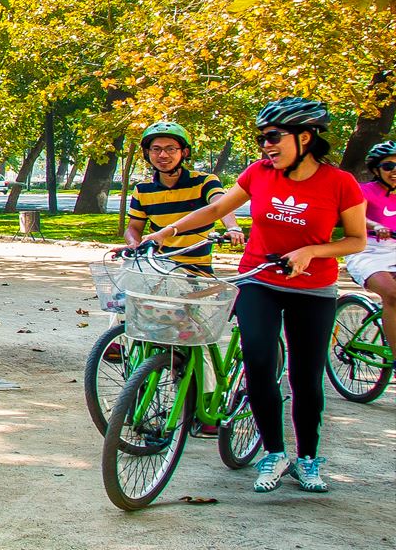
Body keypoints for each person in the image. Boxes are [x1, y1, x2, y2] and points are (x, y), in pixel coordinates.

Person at [143, 98, 365, 494]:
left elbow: (355, 240)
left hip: (313, 289)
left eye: (274, 137)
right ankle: (274, 453)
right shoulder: (259, 173)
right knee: (260, 361)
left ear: (306, 137)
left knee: (306, 376)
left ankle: (309, 458)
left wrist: (312, 250)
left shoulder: (340, 183)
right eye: (262, 138)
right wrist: (163, 233)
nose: (266, 146)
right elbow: (212, 212)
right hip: (259, 279)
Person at [126, 121, 244, 273]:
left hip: (198, 269)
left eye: (171, 149)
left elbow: (221, 206)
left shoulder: (204, 181)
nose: (163, 155)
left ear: (185, 152)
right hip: (159, 266)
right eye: (156, 149)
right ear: (147, 153)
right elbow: (134, 227)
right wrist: (133, 244)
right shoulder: (142, 189)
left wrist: (232, 227)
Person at [343, 140, 396, 353]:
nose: (394, 171)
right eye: (388, 166)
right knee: (393, 294)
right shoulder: (364, 191)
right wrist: (376, 225)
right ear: (376, 169)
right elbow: (355, 217)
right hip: (367, 250)